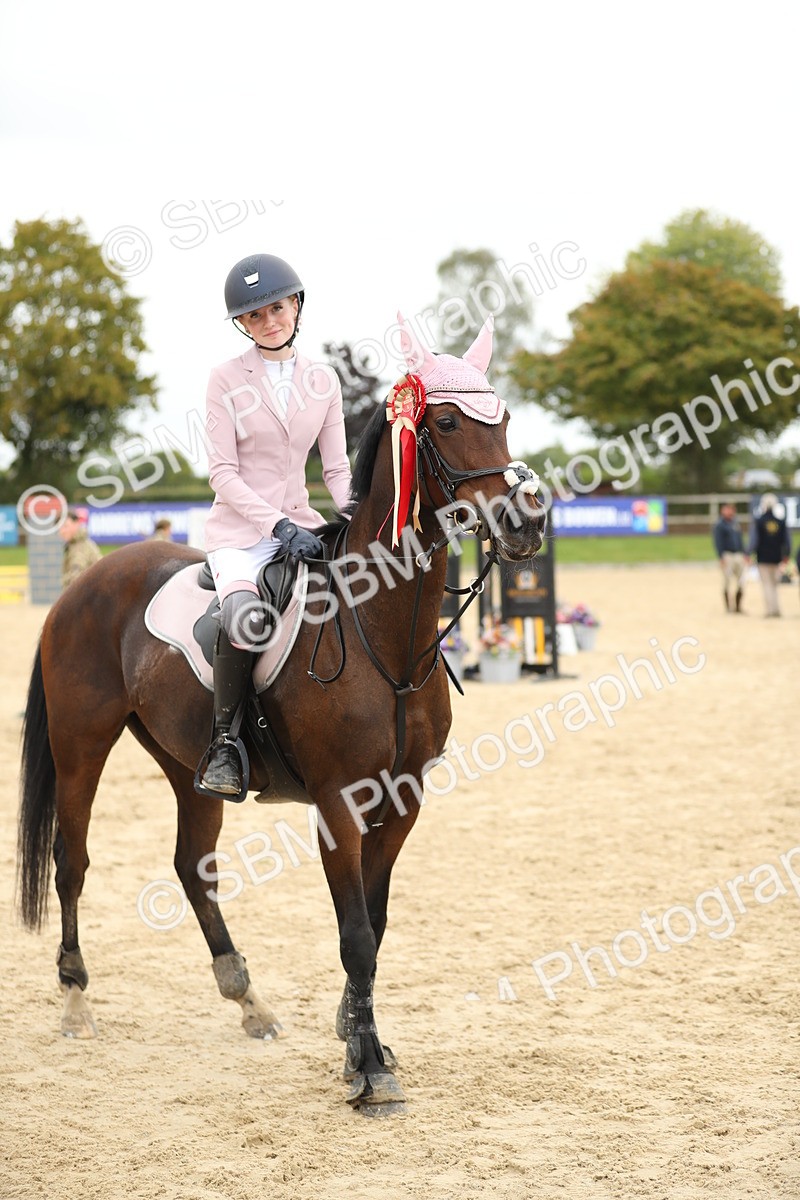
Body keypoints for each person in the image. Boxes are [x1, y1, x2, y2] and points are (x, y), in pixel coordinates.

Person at [196, 253, 353, 798]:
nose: (269, 321)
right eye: (255, 315)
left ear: (297, 306)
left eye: (277, 308)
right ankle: (225, 745)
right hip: (240, 537)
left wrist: (358, 516)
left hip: (305, 525)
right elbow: (222, 472)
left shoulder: (323, 379)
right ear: (243, 323)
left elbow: (336, 468)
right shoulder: (224, 379)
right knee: (243, 621)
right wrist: (278, 526)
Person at [747, 493, 791, 618]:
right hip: (777, 558)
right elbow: (787, 541)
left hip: (763, 558)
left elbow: (754, 540)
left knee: (767, 585)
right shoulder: (780, 522)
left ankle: (770, 610)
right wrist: (786, 555)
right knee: (775, 585)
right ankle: (776, 609)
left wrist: (748, 553)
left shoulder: (759, 521)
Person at [713, 502, 746, 612]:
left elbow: (740, 540)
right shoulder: (720, 525)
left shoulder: (735, 523)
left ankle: (738, 606)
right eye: (727, 509)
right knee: (727, 581)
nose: (730, 511)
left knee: (741, 581)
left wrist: (744, 553)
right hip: (727, 555)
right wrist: (721, 556)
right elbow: (718, 542)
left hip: (738, 554)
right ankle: (728, 607)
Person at [59, 509, 102, 589]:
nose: (62, 531)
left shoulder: (80, 547)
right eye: (60, 528)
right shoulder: (75, 544)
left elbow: (75, 581)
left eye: (65, 526)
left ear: (77, 523)